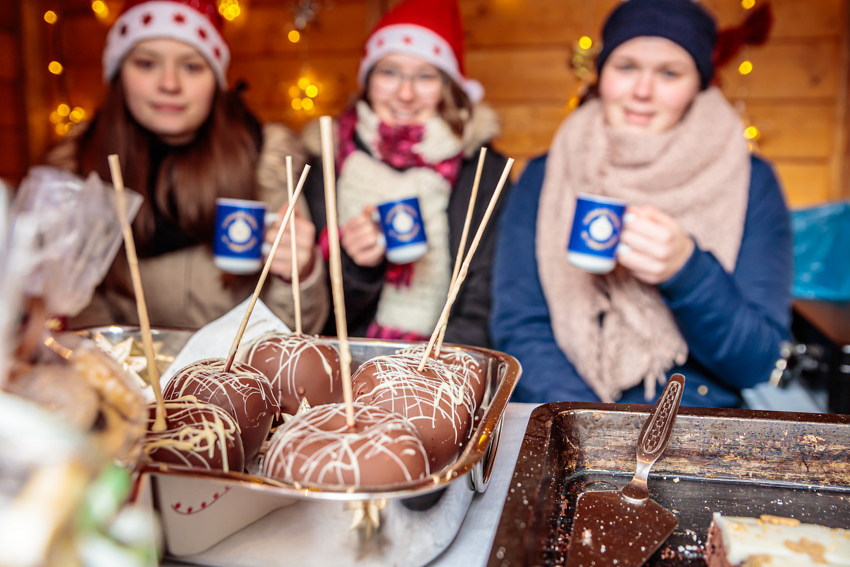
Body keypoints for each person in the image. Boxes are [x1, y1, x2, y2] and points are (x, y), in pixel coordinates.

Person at [490, 0, 792, 408]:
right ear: (601, 72)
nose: (643, 91)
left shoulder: (751, 180)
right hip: (569, 419)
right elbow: (519, 327)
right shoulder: (546, 174)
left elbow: (757, 361)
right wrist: (592, 427)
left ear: (700, 84)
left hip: (698, 425)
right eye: (626, 66)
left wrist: (687, 271)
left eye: (669, 72)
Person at [44, 0, 328, 332]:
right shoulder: (81, 170)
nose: (169, 84)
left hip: (239, 375)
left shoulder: (264, 161)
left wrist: (301, 273)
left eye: (191, 67)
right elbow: (82, 320)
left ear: (217, 78)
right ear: (119, 72)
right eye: (147, 63)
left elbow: (298, 331)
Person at [301, 0, 510, 347]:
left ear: (448, 87)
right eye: (389, 72)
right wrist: (358, 267)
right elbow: (310, 315)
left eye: (426, 75)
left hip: (443, 366)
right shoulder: (326, 161)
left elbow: (482, 300)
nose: (405, 93)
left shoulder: (484, 170)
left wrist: (434, 372)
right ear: (368, 80)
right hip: (342, 364)